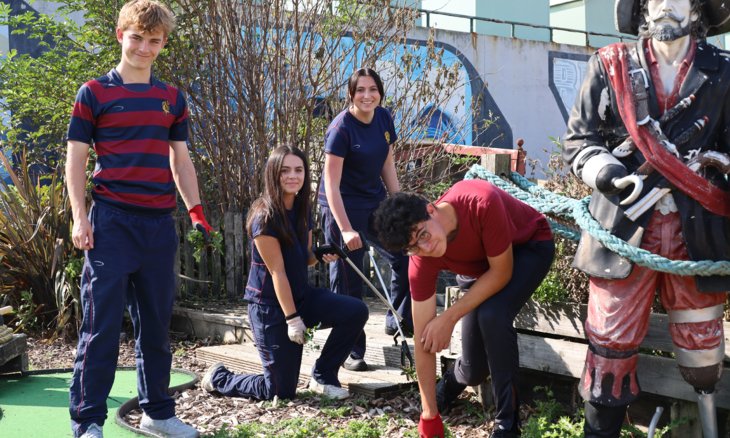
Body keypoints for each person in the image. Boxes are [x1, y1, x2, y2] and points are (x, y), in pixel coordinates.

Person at [563, 1, 730, 436]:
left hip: (699, 236)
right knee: (609, 350)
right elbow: (580, 139)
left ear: (697, 9)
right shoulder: (609, 64)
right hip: (623, 229)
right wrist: (606, 173)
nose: (665, 5)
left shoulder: (725, 70)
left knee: (703, 354)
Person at [65, 2, 211, 437]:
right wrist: (79, 217)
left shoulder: (171, 98)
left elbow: (180, 161)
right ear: (120, 35)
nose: (144, 47)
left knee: (156, 326)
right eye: (137, 38)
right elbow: (75, 161)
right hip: (110, 223)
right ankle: (88, 422)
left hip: (158, 226)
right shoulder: (93, 93)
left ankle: (158, 413)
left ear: (163, 44)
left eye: (154, 41)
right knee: (101, 328)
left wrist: (196, 211)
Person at [373, 179, 555, 438]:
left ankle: (507, 424)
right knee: (473, 369)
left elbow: (502, 273)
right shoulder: (421, 259)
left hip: (528, 247)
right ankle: (446, 389)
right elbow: (423, 337)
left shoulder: (480, 201)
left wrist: (448, 318)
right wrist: (429, 414)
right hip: (481, 268)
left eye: (423, 234)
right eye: (412, 247)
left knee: (492, 315)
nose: (425, 248)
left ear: (431, 210)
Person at [200, 146, 369, 402]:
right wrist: (292, 319)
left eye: (298, 170)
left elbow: (306, 260)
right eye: (285, 170)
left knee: (356, 311)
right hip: (270, 308)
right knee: (279, 391)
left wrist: (321, 254)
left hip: (301, 296)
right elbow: (277, 272)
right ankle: (219, 378)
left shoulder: (302, 210)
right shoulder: (264, 217)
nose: (293, 176)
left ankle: (323, 376)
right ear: (273, 174)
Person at [318, 67, 412, 372]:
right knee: (350, 281)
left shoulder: (383, 118)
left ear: (380, 93)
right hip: (341, 207)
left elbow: (387, 161)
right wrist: (345, 229)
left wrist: (398, 203)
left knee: (405, 255)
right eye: (360, 90)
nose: (367, 95)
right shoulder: (341, 129)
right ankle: (352, 351)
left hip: (373, 203)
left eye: (373, 89)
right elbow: (331, 185)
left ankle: (396, 319)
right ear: (351, 94)